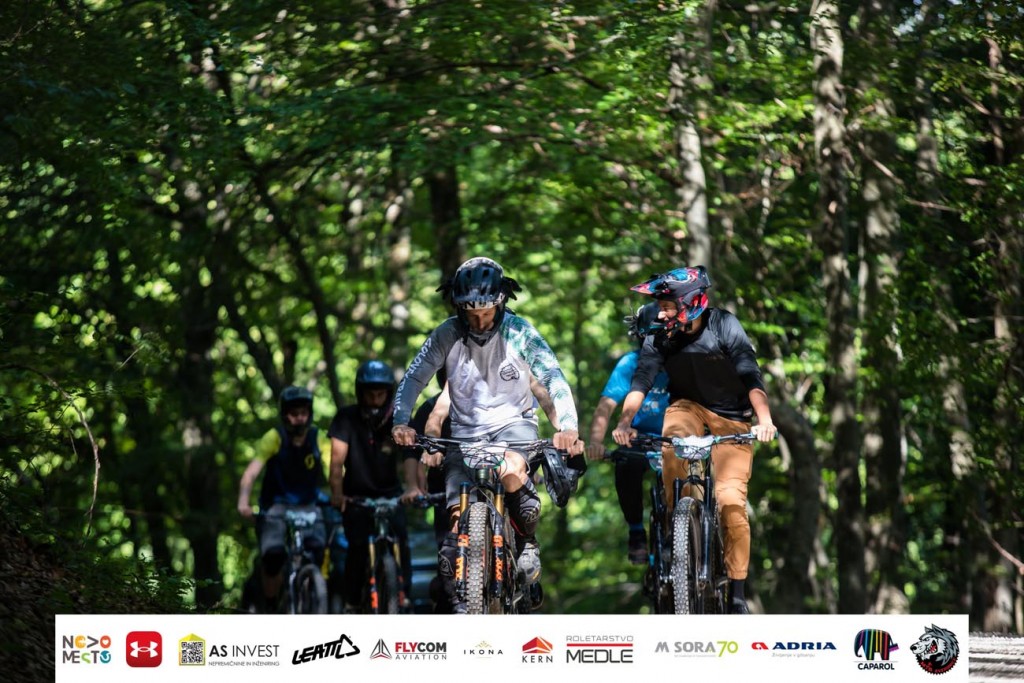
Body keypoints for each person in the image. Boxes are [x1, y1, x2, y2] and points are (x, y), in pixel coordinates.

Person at [391, 256, 584, 614]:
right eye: (471, 314)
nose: (479, 322)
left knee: (512, 473)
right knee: (454, 522)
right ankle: (467, 597)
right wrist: (401, 421)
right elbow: (414, 378)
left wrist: (568, 427)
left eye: (486, 312)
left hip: (514, 425)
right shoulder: (447, 333)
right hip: (464, 434)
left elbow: (553, 377)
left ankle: (527, 542)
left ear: (501, 302)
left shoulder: (520, 331)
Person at [611, 266, 777, 615]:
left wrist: (764, 421)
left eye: (667, 306)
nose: (660, 313)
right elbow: (642, 380)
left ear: (689, 303)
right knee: (675, 452)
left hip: (732, 416)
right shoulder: (660, 334)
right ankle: (683, 528)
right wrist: (625, 423)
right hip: (686, 407)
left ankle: (736, 593)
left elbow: (751, 375)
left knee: (731, 503)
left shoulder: (724, 325)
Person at [328, 359, 416, 613]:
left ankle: (404, 596)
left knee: (402, 539)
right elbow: (336, 463)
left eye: (381, 394)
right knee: (356, 548)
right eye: (370, 394)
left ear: (389, 393)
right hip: (356, 498)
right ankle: (352, 602)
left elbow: (410, 455)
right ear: (360, 392)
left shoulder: (398, 420)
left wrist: (412, 486)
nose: (376, 399)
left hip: (391, 495)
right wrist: (337, 495)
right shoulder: (346, 418)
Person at [586, 301, 670, 564]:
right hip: (637, 438)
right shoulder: (630, 363)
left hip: (674, 438)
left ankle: (681, 531)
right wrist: (595, 442)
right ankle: (636, 530)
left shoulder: (682, 360)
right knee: (625, 464)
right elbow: (606, 405)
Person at [237, 385, 332, 612]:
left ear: (309, 414)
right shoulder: (274, 438)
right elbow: (251, 473)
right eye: (293, 413)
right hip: (276, 505)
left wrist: (341, 493)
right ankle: (271, 607)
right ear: (285, 415)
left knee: (319, 549)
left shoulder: (318, 438)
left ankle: (311, 592)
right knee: (273, 556)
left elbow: (335, 469)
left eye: (303, 413)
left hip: (308, 504)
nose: (299, 418)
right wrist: (243, 502)